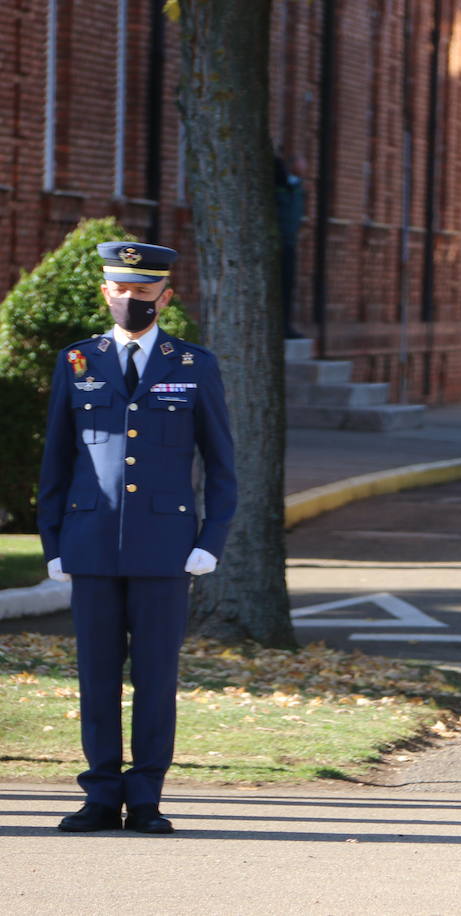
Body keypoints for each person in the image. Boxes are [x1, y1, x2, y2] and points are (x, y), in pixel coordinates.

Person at [38, 241, 237, 834]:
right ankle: (101, 793)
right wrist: (52, 542)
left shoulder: (193, 365)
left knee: (155, 677)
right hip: (91, 542)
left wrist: (211, 540)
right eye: (121, 290)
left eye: (144, 292)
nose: (131, 300)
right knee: (96, 675)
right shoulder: (77, 362)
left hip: (165, 547)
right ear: (106, 292)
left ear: (165, 297)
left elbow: (222, 464)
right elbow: (56, 460)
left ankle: (146, 795)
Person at [273, 153, 307, 339]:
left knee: (287, 288)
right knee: (279, 287)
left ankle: (285, 325)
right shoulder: (282, 187)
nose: (304, 169)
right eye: (301, 164)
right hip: (279, 243)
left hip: (289, 242)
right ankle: (280, 326)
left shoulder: (296, 187)